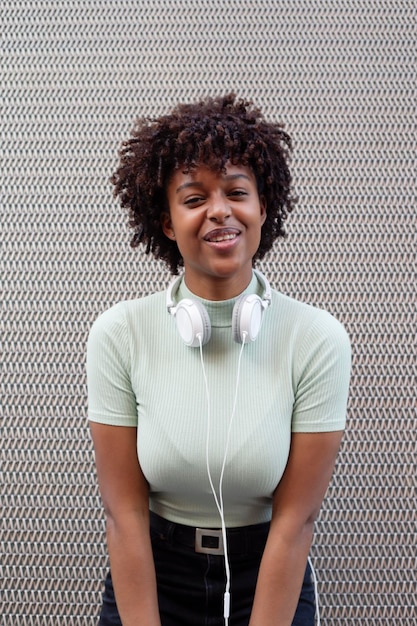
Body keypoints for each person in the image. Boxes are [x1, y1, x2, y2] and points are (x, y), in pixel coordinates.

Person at [87, 93, 351, 626]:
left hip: (269, 569)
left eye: (236, 192)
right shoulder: (120, 333)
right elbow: (124, 512)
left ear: (262, 207)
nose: (220, 211)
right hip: (153, 570)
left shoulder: (317, 337)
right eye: (193, 198)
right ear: (165, 222)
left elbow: (296, 520)